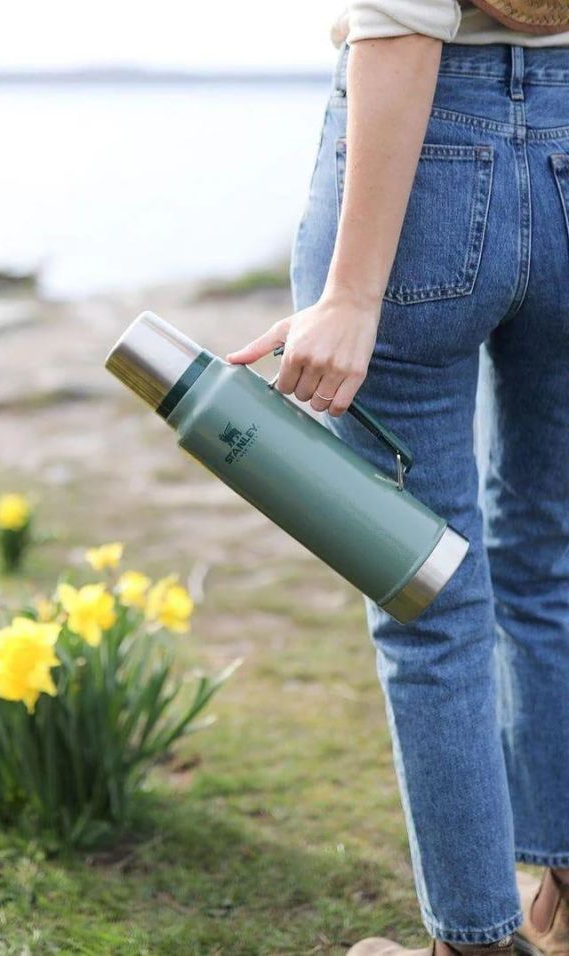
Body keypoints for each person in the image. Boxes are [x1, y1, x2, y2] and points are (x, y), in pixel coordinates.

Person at [224, 1, 569, 954]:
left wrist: (349, 293)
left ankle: (476, 943)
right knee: (552, 565)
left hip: (431, 154)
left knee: (425, 586)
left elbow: (403, 21)